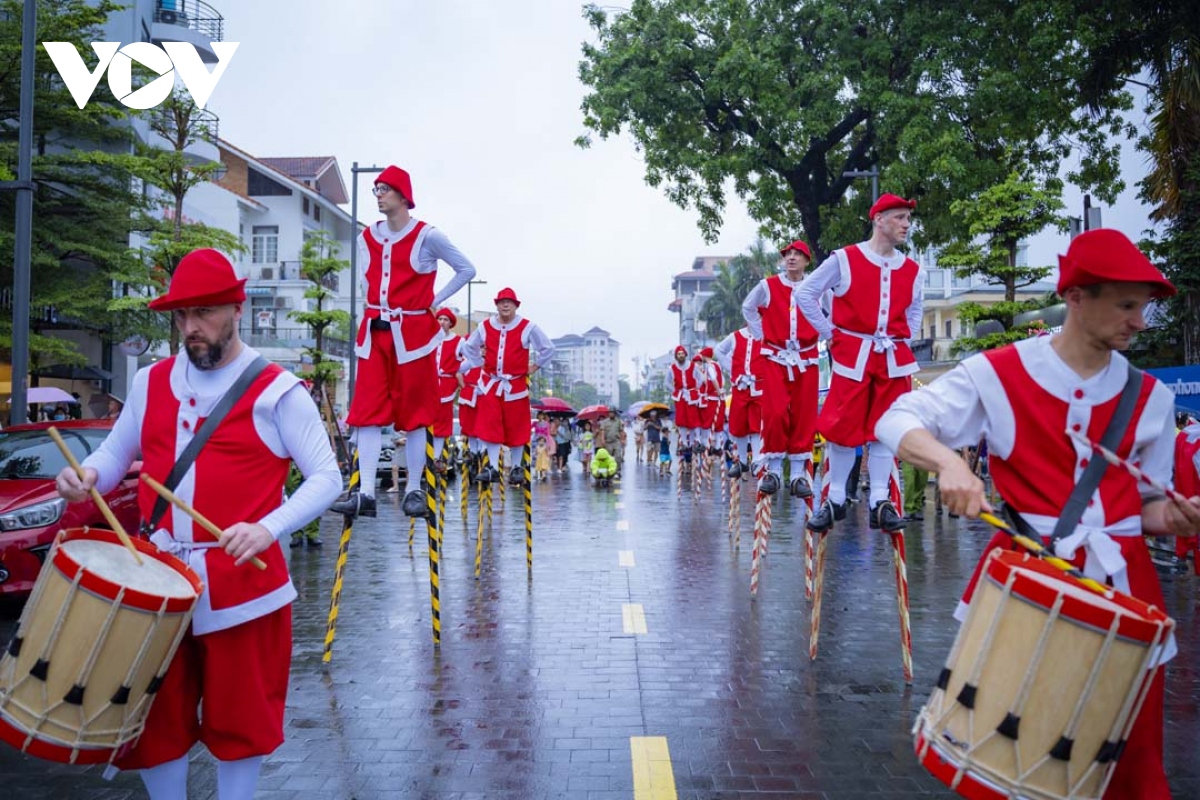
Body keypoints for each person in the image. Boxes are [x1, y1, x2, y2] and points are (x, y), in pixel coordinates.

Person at [876, 228, 1199, 800]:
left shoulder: (1151, 398)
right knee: (1007, 757)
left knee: (1130, 760)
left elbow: (1150, 509)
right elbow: (897, 418)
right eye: (1126, 305)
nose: (1139, 322)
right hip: (1027, 585)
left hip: (1128, 595)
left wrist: (1175, 519)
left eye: (1142, 307)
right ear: (1076, 296)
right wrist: (949, 464)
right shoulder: (997, 372)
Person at [54, 248, 342, 800]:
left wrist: (267, 527)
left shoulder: (278, 390)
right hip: (158, 580)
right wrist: (87, 475)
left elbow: (327, 478)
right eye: (181, 316)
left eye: (204, 313)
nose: (191, 328)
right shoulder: (150, 381)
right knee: (152, 715)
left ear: (237, 307)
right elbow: (116, 454)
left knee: (241, 721)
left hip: (243, 582)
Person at [331, 165, 476, 520]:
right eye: (376, 190)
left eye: (384, 189)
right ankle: (365, 493)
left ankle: (414, 488)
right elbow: (367, 280)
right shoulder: (368, 236)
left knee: (414, 416)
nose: (379, 195)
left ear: (402, 195)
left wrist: (434, 300)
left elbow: (466, 269)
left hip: (411, 337)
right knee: (365, 414)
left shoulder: (428, 236)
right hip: (374, 333)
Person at [797, 194, 923, 532]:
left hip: (893, 360)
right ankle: (835, 498)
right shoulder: (845, 259)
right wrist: (830, 333)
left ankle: (879, 500)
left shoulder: (912, 269)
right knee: (842, 429)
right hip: (853, 357)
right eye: (899, 217)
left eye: (908, 219)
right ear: (879, 219)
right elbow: (805, 294)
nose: (906, 225)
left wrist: (903, 340)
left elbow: (914, 310)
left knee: (886, 430)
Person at [742, 240, 820, 497]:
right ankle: (774, 470)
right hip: (775, 357)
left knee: (803, 413)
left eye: (798, 254)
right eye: (788, 254)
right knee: (775, 412)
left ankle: (798, 474)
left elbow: (834, 311)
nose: (791, 258)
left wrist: (825, 333)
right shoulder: (769, 285)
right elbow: (748, 307)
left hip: (807, 358)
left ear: (807, 261)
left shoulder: (816, 285)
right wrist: (763, 334)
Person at [459, 288, 555, 484]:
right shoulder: (486, 326)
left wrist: (534, 366)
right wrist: (478, 363)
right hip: (491, 383)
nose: (505, 305)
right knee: (489, 425)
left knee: (517, 426)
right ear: (496, 305)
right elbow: (469, 346)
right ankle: (493, 467)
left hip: (515, 384)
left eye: (509, 302)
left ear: (515, 306)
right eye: (501, 302)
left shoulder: (527, 327)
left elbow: (548, 348)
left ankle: (517, 467)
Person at [714, 325, 765, 479]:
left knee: (756, 424)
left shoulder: (767, 334)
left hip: (759, 386)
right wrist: (733, 369)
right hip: (740, 385)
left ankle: (757, 459)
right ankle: (741, 460)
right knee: (738, 423)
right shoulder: (736, 336)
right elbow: (719, 351)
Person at [431, 308, 464, 470]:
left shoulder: (458, 341)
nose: (442, 322)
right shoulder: (429, 338)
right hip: (428, 383)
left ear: (451, 323)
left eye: (445, 319)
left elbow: (470, 359)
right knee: (424, 421)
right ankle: (426, 455)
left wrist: (456, 372)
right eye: (440, 319)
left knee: (442, 423)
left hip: (446, 385)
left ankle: (437, 457)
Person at [670, 345, 700, 458]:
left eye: (682, 353)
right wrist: (674, 390)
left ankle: (693, 442)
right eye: (679, 354)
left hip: (691, 395)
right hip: (680, 396)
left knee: (692, 419)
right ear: (676, 356)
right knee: (681, 420)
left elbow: (701, 379)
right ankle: (684, 442)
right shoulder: (672, 368)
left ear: (685, 355)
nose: (681, 355)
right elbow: (667, 382)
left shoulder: (692, 366)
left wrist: (695, 389)